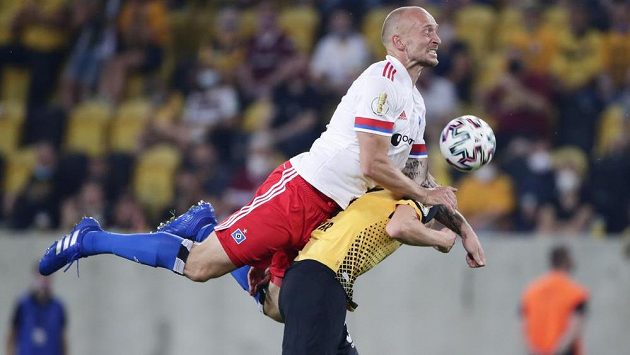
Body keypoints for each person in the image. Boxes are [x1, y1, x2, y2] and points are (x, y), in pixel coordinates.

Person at [39, 5, 456, 310]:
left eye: (437, 31)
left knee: (279, 307)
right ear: (399, 41)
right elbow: (373, 166)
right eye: (428, 30)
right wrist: (426, 195)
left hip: (332, 213)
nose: (437, 38)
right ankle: (90, 238)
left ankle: (206, 224)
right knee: (200, 266)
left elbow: (415, 174)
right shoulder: (383, 81)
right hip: (301, 195)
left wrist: (439, 199)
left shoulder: (415, 104)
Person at [268, 188, 486, 354]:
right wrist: (443, 238)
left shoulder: (381, 196)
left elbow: (434, 212)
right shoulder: (414, 198)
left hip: (314, 281)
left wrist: (466, 231)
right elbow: (400, 227)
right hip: (321, 282)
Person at [520, 245, 589, 355]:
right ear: (567, 262)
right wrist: (557, 350)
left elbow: (523, 324)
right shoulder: (576, 293)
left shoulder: (531, 291)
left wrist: (532, 350)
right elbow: (575, 327)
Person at [6, 267, 68, 355]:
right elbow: (11, 335)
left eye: (47, 277)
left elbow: (63, 339)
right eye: (40, 277)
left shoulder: (58, 307)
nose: (44, 281)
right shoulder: (23, 304)